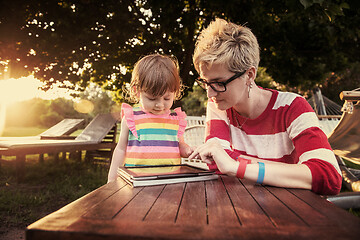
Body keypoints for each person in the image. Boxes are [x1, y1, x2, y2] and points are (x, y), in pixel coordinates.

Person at [188, 18, 342, 195]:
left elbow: (329, 176)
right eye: (206, 82)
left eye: (219, 83)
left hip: (294, 211)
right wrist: (292, 171)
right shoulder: (218, 105)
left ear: (249, 75)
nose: (210, 93)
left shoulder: (293, 107)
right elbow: (218, 164)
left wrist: (236, 166)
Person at [107, 54, 193, 183]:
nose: (160, 105)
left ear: (175, 92)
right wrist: (112, 179)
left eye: (167, 98)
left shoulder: (176, 120)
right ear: (137, 91)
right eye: (152, 99)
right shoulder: (132, 118)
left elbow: (179, 144)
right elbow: (120, 149)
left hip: (169, 181)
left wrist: (186, 150)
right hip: (136, 181)